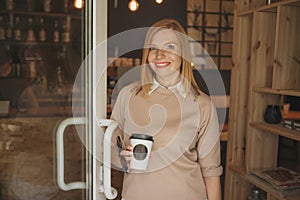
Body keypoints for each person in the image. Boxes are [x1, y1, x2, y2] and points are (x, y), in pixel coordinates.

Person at [111, 18, 222, 200]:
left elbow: (211, 172)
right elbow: (111, 145)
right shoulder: (128, 95)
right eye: (153, 48)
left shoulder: (202, 104)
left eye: (169, 47)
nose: (159, 55)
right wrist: (121, 157)